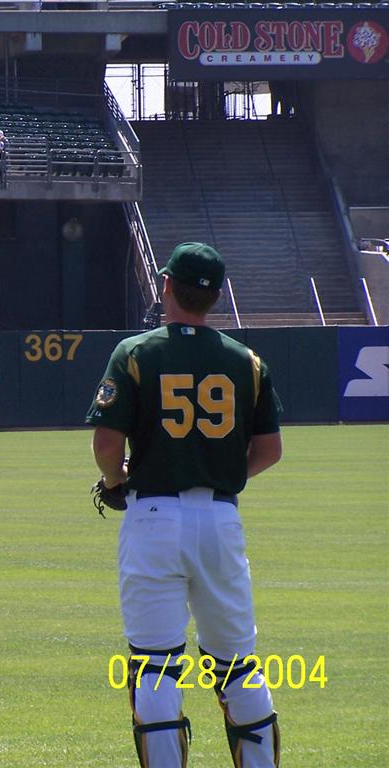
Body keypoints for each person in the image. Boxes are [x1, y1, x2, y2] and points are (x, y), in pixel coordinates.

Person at [86, 242, 283, 768]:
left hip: (152, 516)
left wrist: (114, 481)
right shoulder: (248, 361)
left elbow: (107, 446)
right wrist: (214, 471)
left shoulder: (135, 352)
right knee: (239, 667)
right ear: (216, 296)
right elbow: (270, 450)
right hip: (220, 519)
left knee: (154, 668)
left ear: (167, 285)